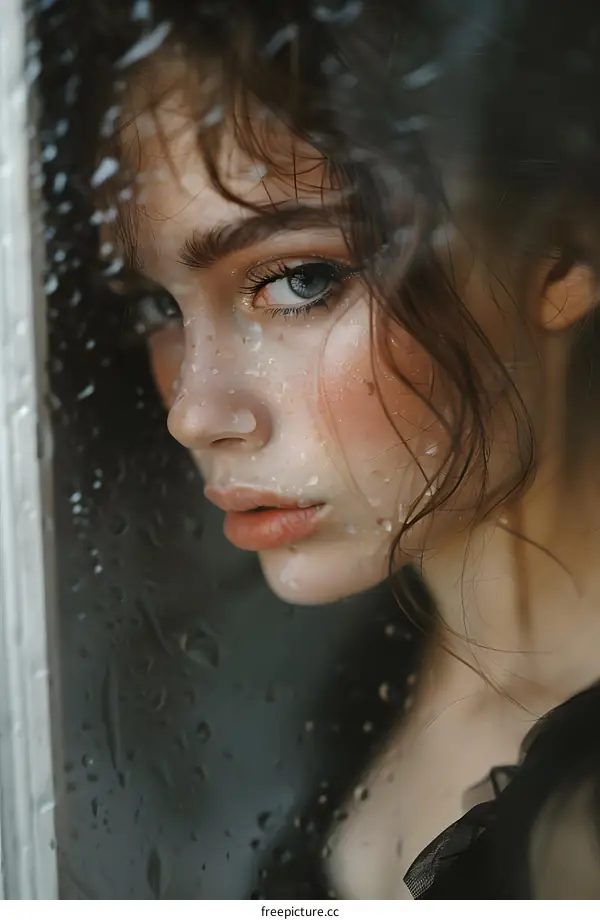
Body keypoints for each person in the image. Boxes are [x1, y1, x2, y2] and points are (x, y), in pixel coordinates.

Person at [51, 0, 600, 898]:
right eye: (159, 307)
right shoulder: (357, 670)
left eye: (300, 280)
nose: (193, 412)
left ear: (564, 256)